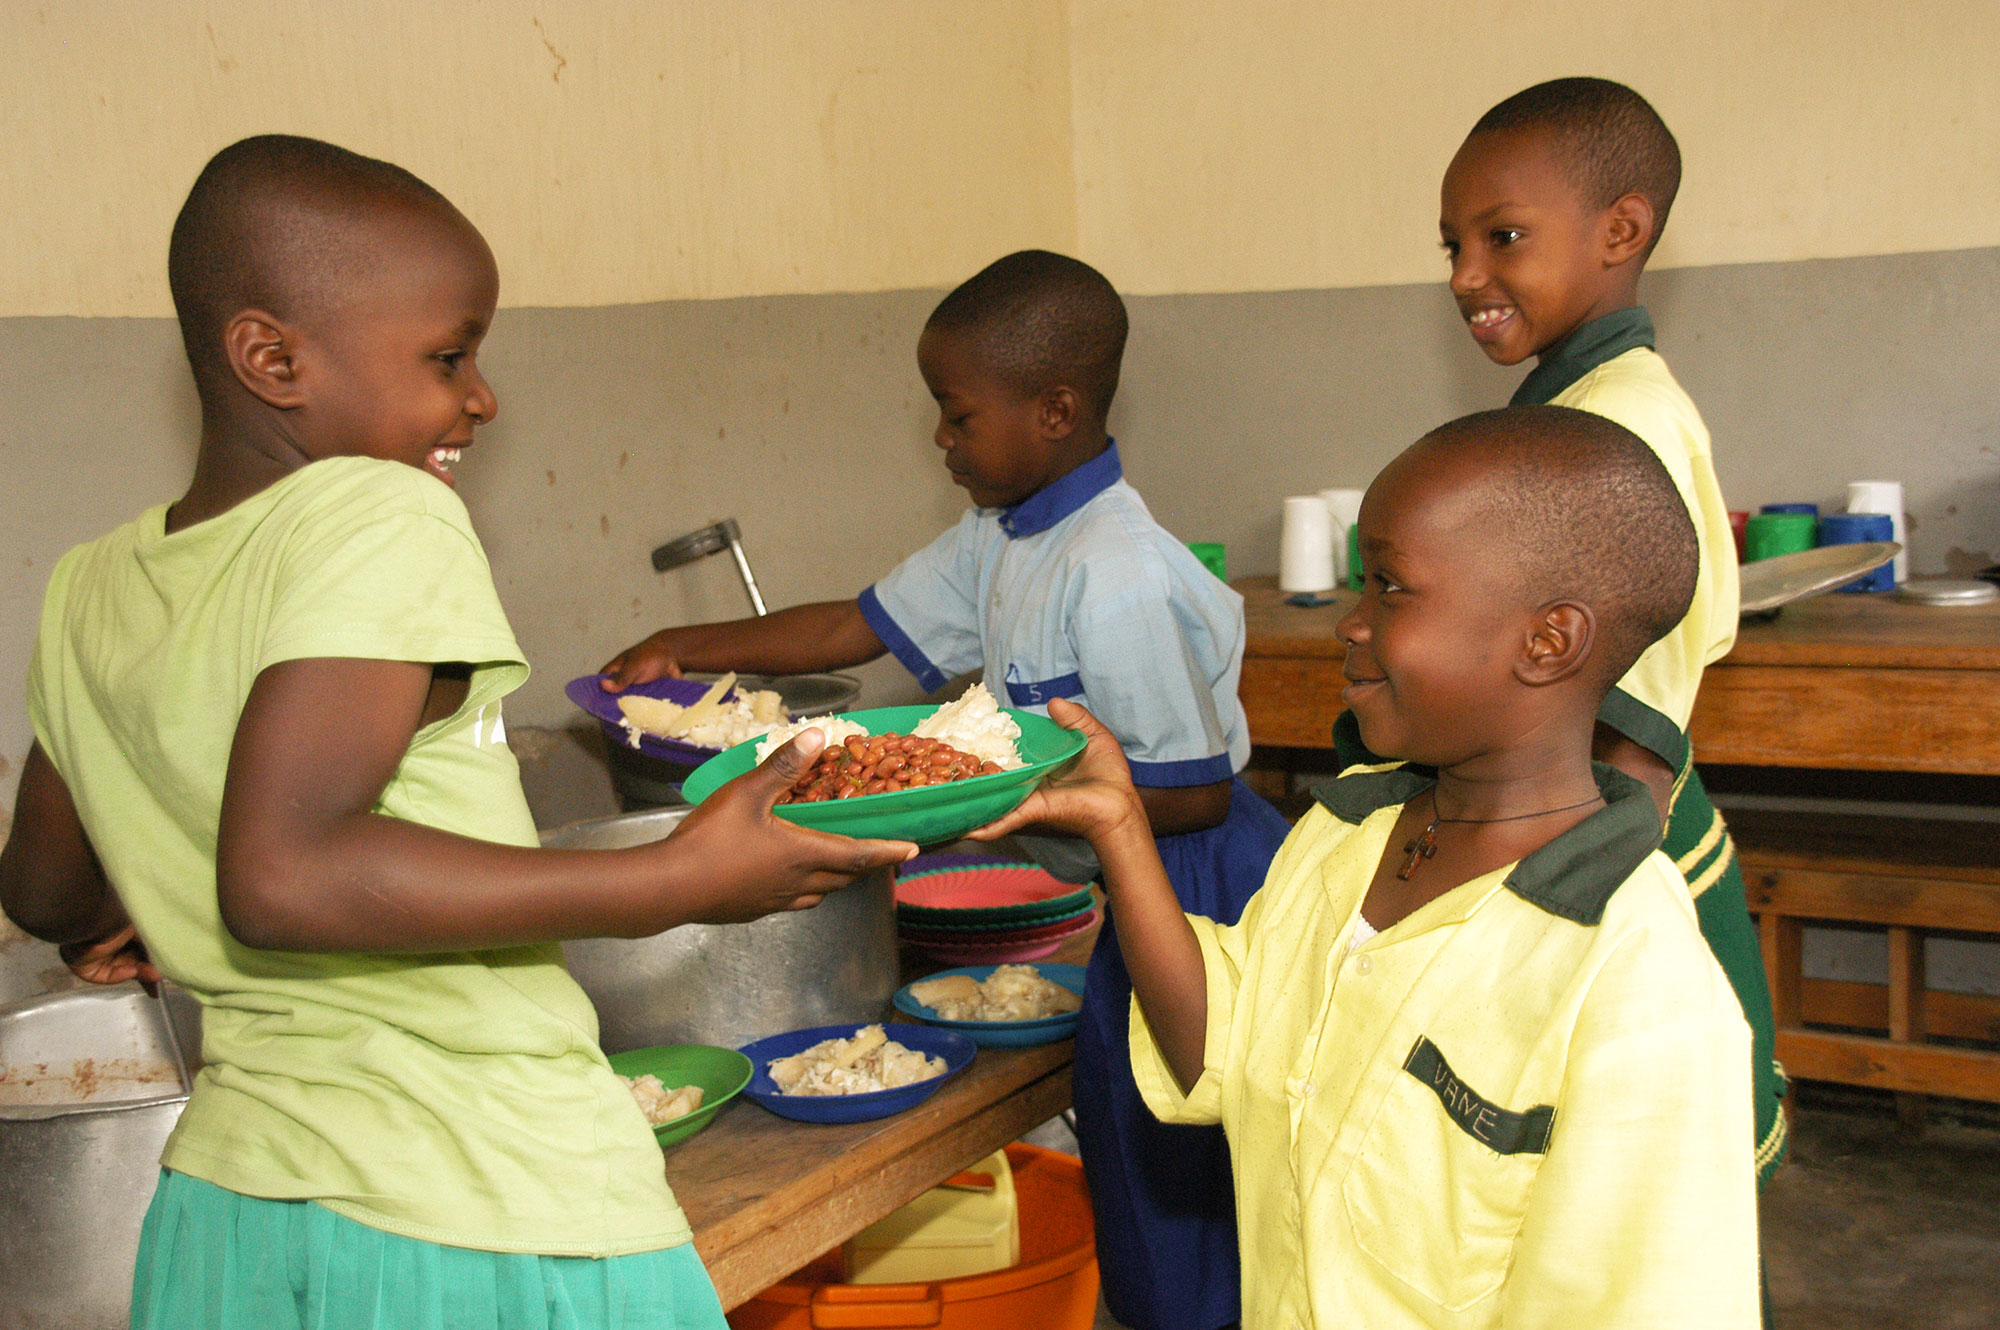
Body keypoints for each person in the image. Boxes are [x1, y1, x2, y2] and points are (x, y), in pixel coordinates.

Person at [0, 135, 912, 1330]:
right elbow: (285, 873)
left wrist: (157, 866)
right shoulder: (383, 513)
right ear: (271, 357)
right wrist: (676, 877)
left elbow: (48, 889)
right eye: (449, 354)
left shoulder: (92, 583)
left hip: (231, 1211)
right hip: (478, 1201)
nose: (481, 396)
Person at [601, 250, 1289, 1330]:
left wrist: (982, 802)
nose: (940, 441)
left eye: (955, 417)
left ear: (1053, 411)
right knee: (1125, 1140)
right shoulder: (1003, 533)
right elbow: (856, 624)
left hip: (1202, 886)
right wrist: (687, 645)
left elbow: (1192, 793)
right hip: (1127, 869)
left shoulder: (1112, 571)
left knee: (1180, 1166)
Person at [977, 405, 1761, 1329]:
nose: (1351, 624)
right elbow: (1217, 1051)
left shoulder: (1634, 979)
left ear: (1548, 641)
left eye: (1390, 587)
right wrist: (1121, 830)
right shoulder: (1346, 839)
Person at [1419, 76, 1787, 1184]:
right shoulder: (1571, 407)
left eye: (1502, 237)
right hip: (1587, 829)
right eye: (1450, 245)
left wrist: (1566, 905)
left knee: (1652, 1207)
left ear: (1620, 230)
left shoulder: (1617, 425)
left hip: (1620, 851)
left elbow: (1634, 712)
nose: (1464, 276)